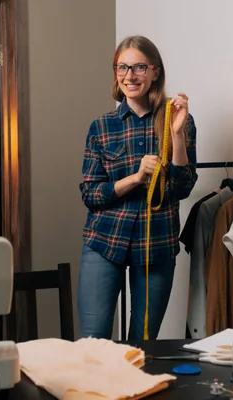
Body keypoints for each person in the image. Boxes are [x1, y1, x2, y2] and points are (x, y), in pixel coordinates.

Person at [78, 35, 198, 340]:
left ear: (155, 71)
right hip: (104, 242)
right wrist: (134, 178)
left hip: (156, 245)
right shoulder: (101, 127)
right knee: (94, 344)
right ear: (116, 73)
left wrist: (178, 135)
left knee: (142, 346)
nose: (130, 76)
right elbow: (91, 195)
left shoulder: (177, 120)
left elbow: (183, 187)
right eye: (122, 67)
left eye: (139, 67)